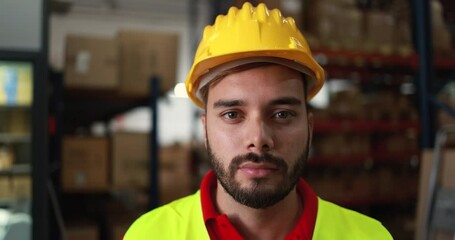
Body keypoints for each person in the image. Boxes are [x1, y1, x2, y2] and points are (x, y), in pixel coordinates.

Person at [124, 2, 393, 239]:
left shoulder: (369, 236)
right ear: (205, 129)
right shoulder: (149, 235)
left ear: (309, 127)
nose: (258, 139)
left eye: (282, 115)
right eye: (232, 115)